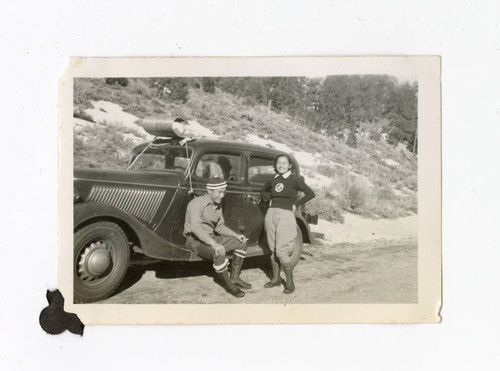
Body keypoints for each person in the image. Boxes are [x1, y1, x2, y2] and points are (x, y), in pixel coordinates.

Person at [184, 177, 251, 298]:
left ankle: (235, 278)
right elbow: (195, 228)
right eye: (219, 192)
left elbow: (220, 227)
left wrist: (236, 235)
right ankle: (230, 286)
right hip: (194, 239)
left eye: (224, 192)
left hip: (212, 237)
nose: (222, 195)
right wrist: (214, 244)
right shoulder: (196, 203)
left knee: (242, 242)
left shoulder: (218, 205)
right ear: (209, 190)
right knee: (219, 251)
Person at [263, 154, 315, 294]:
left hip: (286, 215)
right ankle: (275, 279)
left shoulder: (294, 179)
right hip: (271, 214)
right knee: (272, 249)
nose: (281, 165)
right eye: (278, 163)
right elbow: (264, 190)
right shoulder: (273, 179)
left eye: (284, 163)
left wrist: (295, 204)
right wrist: (269, 199)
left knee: (281, 250)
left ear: (289, 165)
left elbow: (310, 193)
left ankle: (290, 283)